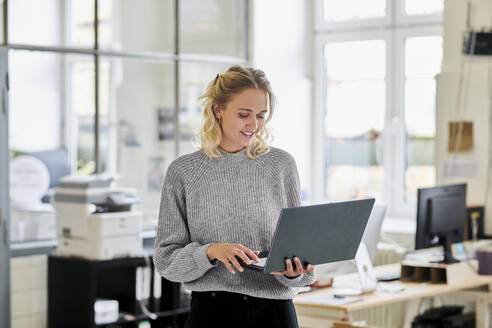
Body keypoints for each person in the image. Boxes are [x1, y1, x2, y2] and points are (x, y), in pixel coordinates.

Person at [153, 65, 315, 328]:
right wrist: (211, 251)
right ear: (218, 110)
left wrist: (297, 272)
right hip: (212, 313)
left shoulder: (281, 165)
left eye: (261, 116)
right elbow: (166, 261)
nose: (254, 125)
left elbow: (301, 259)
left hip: (274, 314)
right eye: (244, 115)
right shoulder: (183, 171)